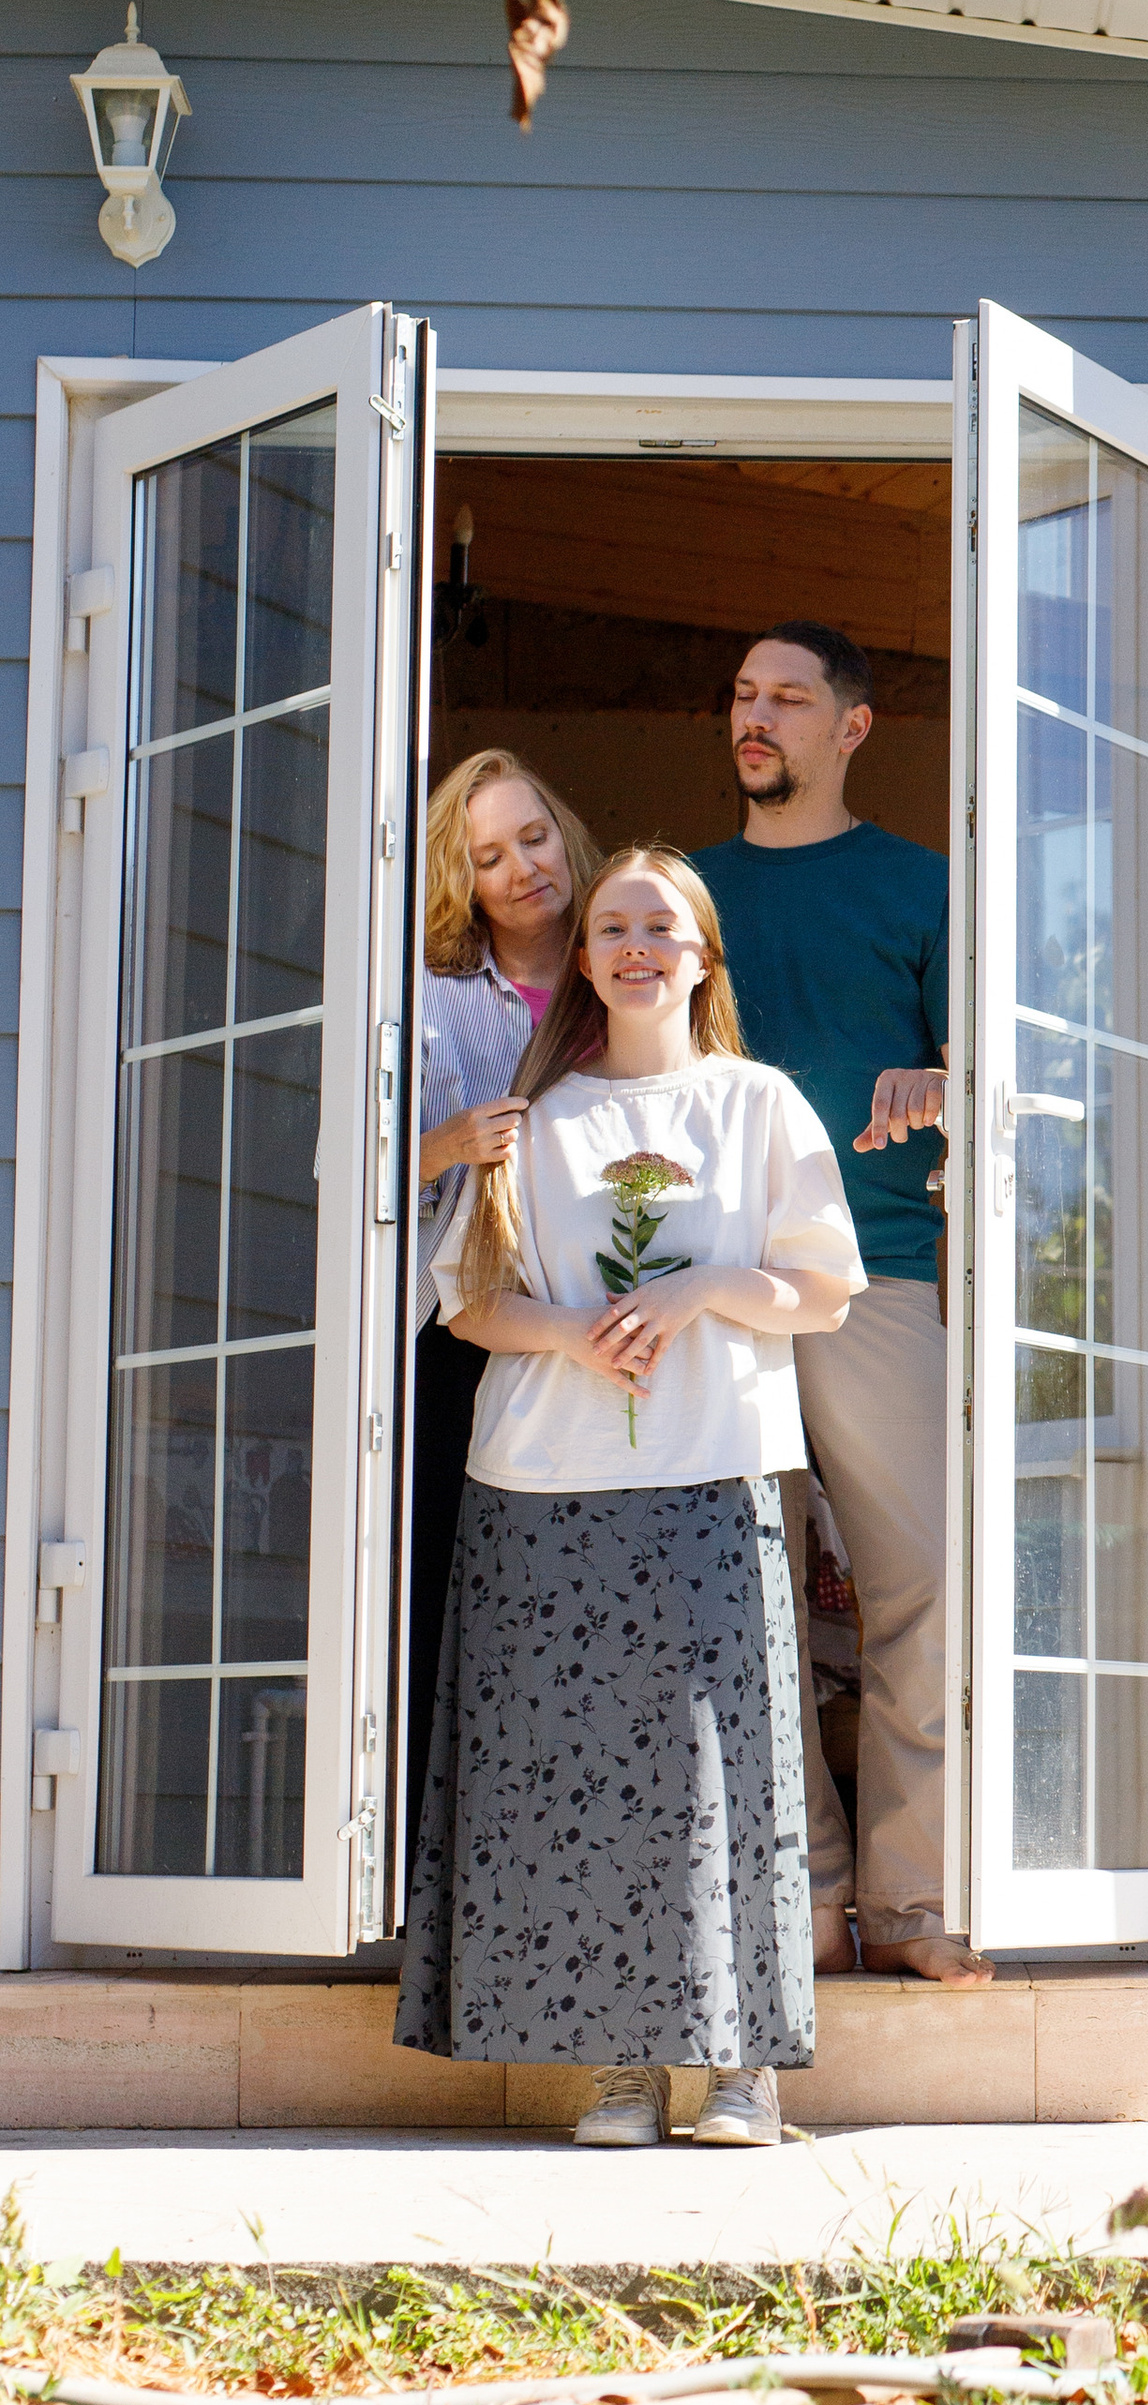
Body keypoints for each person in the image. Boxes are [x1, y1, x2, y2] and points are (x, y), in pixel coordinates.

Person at [394, 846, 861, 2148]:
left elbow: (819, 1289)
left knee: (730, 1773)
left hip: (711, 1470)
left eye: (662, 923)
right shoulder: (532, 1121)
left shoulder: (759, 1105)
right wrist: (576, 1332)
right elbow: (471, 1301)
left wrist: (697, 1289)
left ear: (703, 955)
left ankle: (741, 2076)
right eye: (612, 926)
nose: (636, 943)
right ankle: (612, 2072)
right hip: (543, 1484)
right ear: (588, 961)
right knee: (581, 1778)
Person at [692, 625, 988, 1986]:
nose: (758, 718)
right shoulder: (680, 897)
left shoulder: (925, 887)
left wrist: (939, 1082)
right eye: (746, 697)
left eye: (789, 699)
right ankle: (803, 1907)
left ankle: (914, 1903)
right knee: (746, 1606)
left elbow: (1003, 1075)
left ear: (851, 728)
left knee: (925, 1591)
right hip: (721, 1294)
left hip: (883, 1277)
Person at [407, 751, 601, 1883]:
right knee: (456, 1595)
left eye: (532, 836)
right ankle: (451, 1871)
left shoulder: (631, 962)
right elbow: (355, 1166)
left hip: (612, 1331)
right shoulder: (430, 1004)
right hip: (464, 1335)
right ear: (464, 883)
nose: (522, 867)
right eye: (489, 856)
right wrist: (449, 1144)